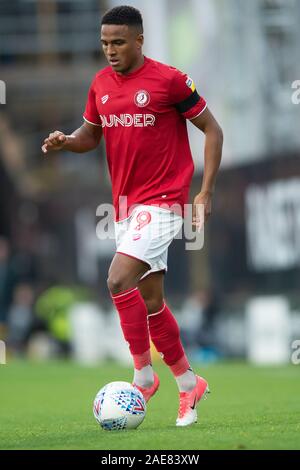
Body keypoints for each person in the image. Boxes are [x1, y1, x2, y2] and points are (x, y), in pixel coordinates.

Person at [41, 5, 223, 426]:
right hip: (125, 206)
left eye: (118, 42)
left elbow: (213, 129)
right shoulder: (101, 83)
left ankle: (142, 375)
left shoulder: (169, 81)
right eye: (105, 43)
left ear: (139, 41)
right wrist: (68, 141)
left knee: (117, 279)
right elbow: (92, 134)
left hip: (164, 200)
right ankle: (187, 384)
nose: (110, 50)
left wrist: (206, 192)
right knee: (152, 301)